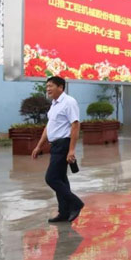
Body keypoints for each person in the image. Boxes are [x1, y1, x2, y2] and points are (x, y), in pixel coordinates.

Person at [32, 76, 85, 223]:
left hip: (63, 144)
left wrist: (71, 150)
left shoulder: (69, 102)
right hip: (55, 145)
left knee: (51, 178)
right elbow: (49, 127)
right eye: (47, 86)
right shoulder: (54, 104)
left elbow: (75, 125)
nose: (48, 89)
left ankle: (76, 203)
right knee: (61, 179)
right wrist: (39, 146)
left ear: (61, 87)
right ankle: (64, 212)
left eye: (51, 86)